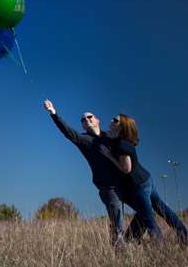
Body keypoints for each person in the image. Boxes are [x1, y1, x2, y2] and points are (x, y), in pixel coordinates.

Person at [43, 99, 128, 245]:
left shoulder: (110, 136)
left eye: (90, 117)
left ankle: (132, 239)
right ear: (82, 125)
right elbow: (67, 131)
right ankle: (120, 252)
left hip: (126, 183)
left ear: (97, 120)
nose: (87, 120)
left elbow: (128, 142)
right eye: (83, 119)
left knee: (144, 213)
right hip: (108, 187)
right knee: (117, 222)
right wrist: (53, 113)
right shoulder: (83, 140)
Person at [108, 114, 188, 247]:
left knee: (148, 219)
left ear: (122, 127)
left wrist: (110, 157)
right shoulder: (117, 140)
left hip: (138, 184)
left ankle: (162, 251)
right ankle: (186, 238)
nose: (111, 121)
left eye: (115, 120)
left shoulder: (122, 144)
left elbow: (126, 169)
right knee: (163, 210)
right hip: (146, 179)